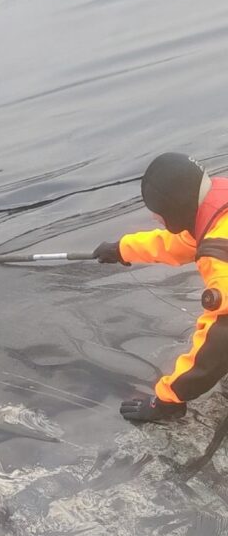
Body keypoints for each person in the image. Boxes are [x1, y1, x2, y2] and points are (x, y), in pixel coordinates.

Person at [94, 152, 228, 422]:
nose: (156, 218)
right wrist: (122, 249)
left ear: (177, 209)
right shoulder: (218, 210)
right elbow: (181, 243)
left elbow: (221, 338)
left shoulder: (219, 256)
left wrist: (168, 399)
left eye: (160, 213)